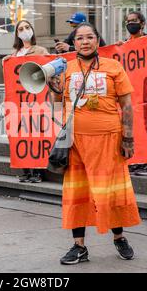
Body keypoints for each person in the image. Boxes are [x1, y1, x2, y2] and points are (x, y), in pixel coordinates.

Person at [50, 22, 141, 264]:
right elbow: (58, 106)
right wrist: (53, 90)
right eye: (80, 38)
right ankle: (79, 246)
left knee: (110, 191)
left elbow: (127, 106)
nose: (85, 41)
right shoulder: (65, 69)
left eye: (90, 37)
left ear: (98, 40)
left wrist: (128, 137)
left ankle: (119, 237)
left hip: (109, 141)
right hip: (76, 143)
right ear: (74, 43)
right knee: (77, 193)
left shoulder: (113, 67)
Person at [116, 11, 147, 176]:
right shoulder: (125, 44)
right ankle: (137, 161)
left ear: (142, 23)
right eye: (128, 21)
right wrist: (119, 48)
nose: (130, 23)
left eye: (134, 20)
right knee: (135, 128)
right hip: (132, 95)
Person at [9, 20, 49, 183]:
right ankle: (26, 171)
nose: (24, 31)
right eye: (21, 29)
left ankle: (38, 172)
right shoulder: (14, 54)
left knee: (37, 135)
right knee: (22, 135)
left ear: (32, 30)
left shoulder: (40, 50)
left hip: (36, 100)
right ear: (17, 34)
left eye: (27, 27)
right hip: (19, 101)